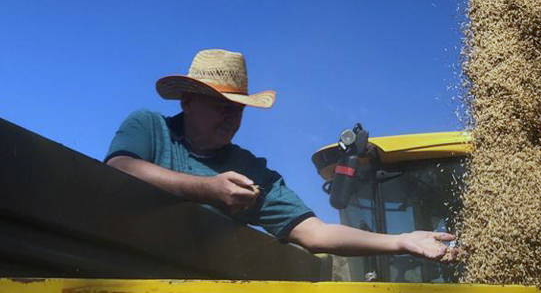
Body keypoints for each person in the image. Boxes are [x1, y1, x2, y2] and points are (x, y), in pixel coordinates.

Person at [105, 48, 454, 261]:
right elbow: (120, 168)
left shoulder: (249, 170)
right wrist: (208, 189)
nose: (231, 116)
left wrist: (400, 241)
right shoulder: (150, 128)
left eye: (238, 108)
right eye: (219, 105)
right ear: (187, 101)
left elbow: (316, 234)